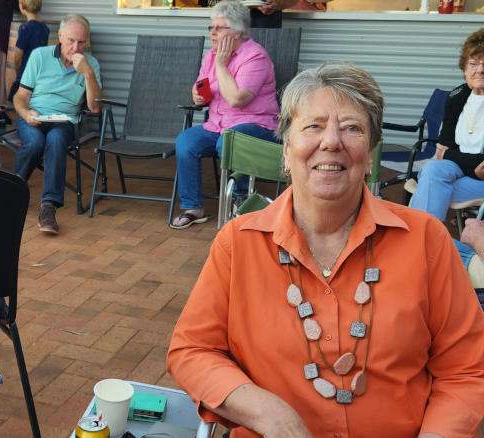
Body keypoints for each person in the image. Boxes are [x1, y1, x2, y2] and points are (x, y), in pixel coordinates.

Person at [167, 62, 484, 437]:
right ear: (286, 151)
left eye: (351, 128)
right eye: (312, 126)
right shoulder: (239, 242)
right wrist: (266, 412)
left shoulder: (425, 239)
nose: (331, 141)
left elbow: (465, 369)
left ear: (369, 155)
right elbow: (193, 350)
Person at [171, 0, 279, 229]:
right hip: (218, 125)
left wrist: (221, 64)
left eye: (219, 28)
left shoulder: (255, 57)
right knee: (186, 142)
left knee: (228, 141)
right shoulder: (211, 55)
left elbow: (237, 99)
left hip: (256, 126)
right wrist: (198, 95)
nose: (213, 33)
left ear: (237, 32)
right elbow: (203, 85)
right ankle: (193, 207)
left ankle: (239, 199)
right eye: (211, 27)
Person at [13, 14, 102, 235]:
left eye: (81, 42)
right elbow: (20, 96)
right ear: (60, 37)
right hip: (34, 115)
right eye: (71, 40)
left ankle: (48, 208)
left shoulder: (91, 64)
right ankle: (10, 191)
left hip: (64, 120)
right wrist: (25, 113)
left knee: (56, 138)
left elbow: (95, 107)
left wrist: (88, 74)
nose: (75, 47)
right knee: (34, 142)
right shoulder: (39, 56)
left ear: (87, 41)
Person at [409, 29, 484, 221]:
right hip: (463, 170)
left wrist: (451, 156)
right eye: (473, 63)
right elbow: (443, 147)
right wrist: (469, 166)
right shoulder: (457, 96)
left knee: (429, 186)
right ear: (464, 69)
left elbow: (447, 153)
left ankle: (420, 241)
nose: (480, 70)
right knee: (433, 170)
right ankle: (430, 241)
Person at [8, 0, 49, 102]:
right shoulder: (45, 28)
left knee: (15, 102)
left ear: (22, 7)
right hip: (38, 74)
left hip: (24, 75)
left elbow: (17, 57)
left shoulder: (25, 28)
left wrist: (17, 72)